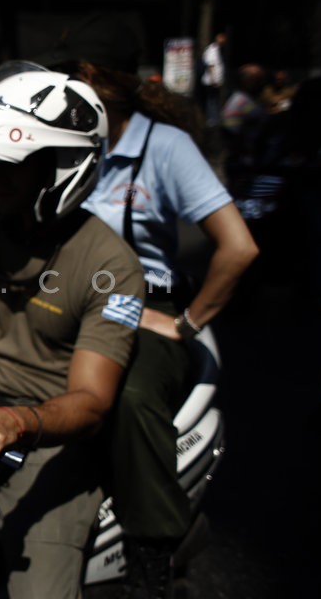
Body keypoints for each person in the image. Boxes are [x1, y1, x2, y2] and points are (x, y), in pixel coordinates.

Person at [0, 64, 146, 598]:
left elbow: (90, 402)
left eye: (12, 166)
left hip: (46, 433)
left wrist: (13, 421)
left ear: (62, 167)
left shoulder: (112, 264)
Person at [69, 54, 259, 597]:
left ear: (109, 81)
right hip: (67, 295)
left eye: (77, 75)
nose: (66, 87)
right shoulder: (68, 139)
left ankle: (151, 549)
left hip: (143, 301)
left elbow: (239, 247)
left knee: (128, 395)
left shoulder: (165, 147)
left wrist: (187, 324)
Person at [199, 32, 227, 128]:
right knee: (212, 100)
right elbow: (210, 66)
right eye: (221, 38)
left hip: (215, 81)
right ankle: (212, 119)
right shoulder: (212, 50)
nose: (223, 41)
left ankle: (214, 118)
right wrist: (214, 80)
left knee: (214, 100)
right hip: (211, 81)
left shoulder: (218, 50)